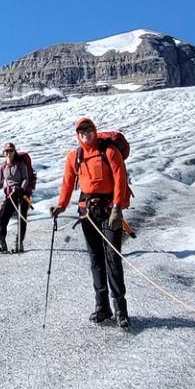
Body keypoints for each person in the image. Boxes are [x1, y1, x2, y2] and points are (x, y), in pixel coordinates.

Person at [51, 116, 130, 329]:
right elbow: (68, 183)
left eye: (88, 128)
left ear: (94, 130)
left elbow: (120, 179)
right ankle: (102, 307)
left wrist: (117, 208)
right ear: (77, 134)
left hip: (108, 210)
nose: (85, 132)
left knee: (112, 257)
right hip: (87, 212)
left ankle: (121, 310)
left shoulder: (109, 151)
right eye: (81, 130)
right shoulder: (74, 157)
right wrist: (61, 205)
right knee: (96, 259)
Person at [0, 142, 36, 253]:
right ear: (4, 152)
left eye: (11, 151)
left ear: (14, 151)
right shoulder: (3, 166)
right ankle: (3, 245)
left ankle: (19, 245)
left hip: (23, 195)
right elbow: (1, 182)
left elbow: (25, 178)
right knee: (3, 217)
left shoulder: (20, 163)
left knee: (21, 219)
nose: (8, 153)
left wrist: (22, 189)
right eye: (6, 151)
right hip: (10, 195)